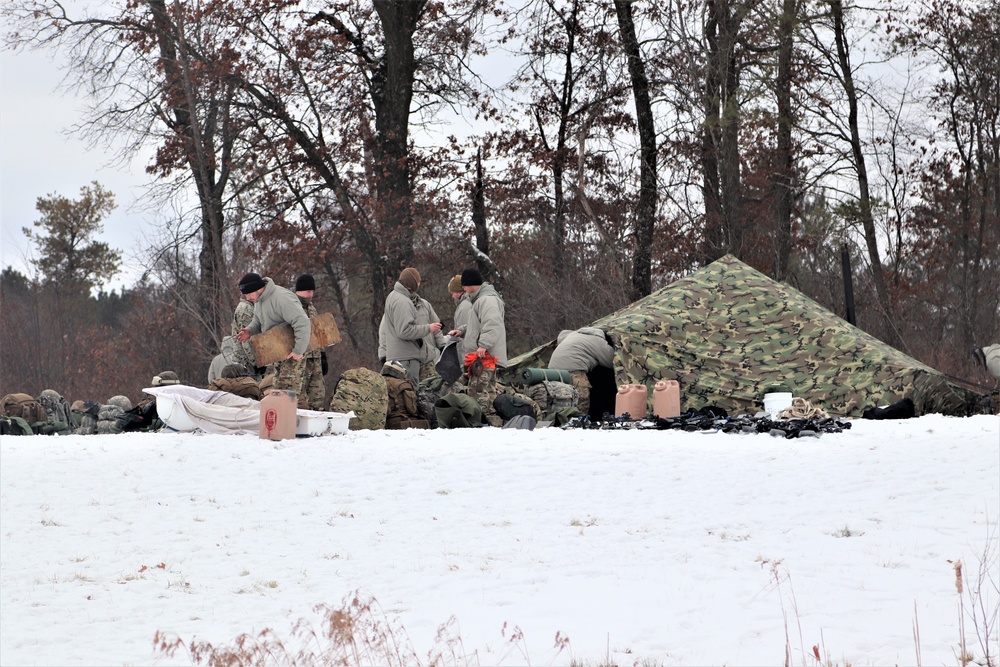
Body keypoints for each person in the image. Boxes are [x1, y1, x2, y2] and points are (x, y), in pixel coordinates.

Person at [234, 272, 311, 405]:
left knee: (288, 393)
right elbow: (258, 320)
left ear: (257, 288)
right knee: (280, 391)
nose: (247, 298)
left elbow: (302, 322)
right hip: (278, 353)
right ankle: (290, 421)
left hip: (292, 352)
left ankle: (288, 423)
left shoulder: (281, 298)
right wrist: (250, 330)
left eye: (248, 294)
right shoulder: (259, 300)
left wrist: (298, 350)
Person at [449, 268, 506, 426]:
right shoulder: (481, 300)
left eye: (464, 286)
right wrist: (462, 331)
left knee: (478, 393)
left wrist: (483, 345)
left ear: (468, 285)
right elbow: (478, 324)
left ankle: (487, 426)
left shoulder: (486, 300)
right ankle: (495, 425)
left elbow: (492, 323)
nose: (463, 290)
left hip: (484, 357)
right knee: (489, 394)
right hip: (483, 357)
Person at [379, 267, 443, 386]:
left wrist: (442, 345)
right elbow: (404, 331)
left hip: (407, 357)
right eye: (418, 282)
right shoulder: (403, 302)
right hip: (407, 358)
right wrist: (428, 328)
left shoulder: (393, 296)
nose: (419, 284)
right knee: (411, 393)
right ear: (411, 283)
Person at [546, 327, 615, 416]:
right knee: (581, 398)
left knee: (559, 399)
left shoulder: (571, 336)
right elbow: (613, 361)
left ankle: (558, 419)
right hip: (573, 370)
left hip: (552, 372)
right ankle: (580, 421)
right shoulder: (597, 341)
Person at [293, 273, 326, 410]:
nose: (311, 294)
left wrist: (323, 355)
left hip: (315, 359)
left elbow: (318, 333)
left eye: (312, 291)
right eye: (308, 291)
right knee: (298, 398)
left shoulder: (312, 308)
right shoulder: (291, 307)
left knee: (317, 396)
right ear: (299, 290)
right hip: (298, 361)